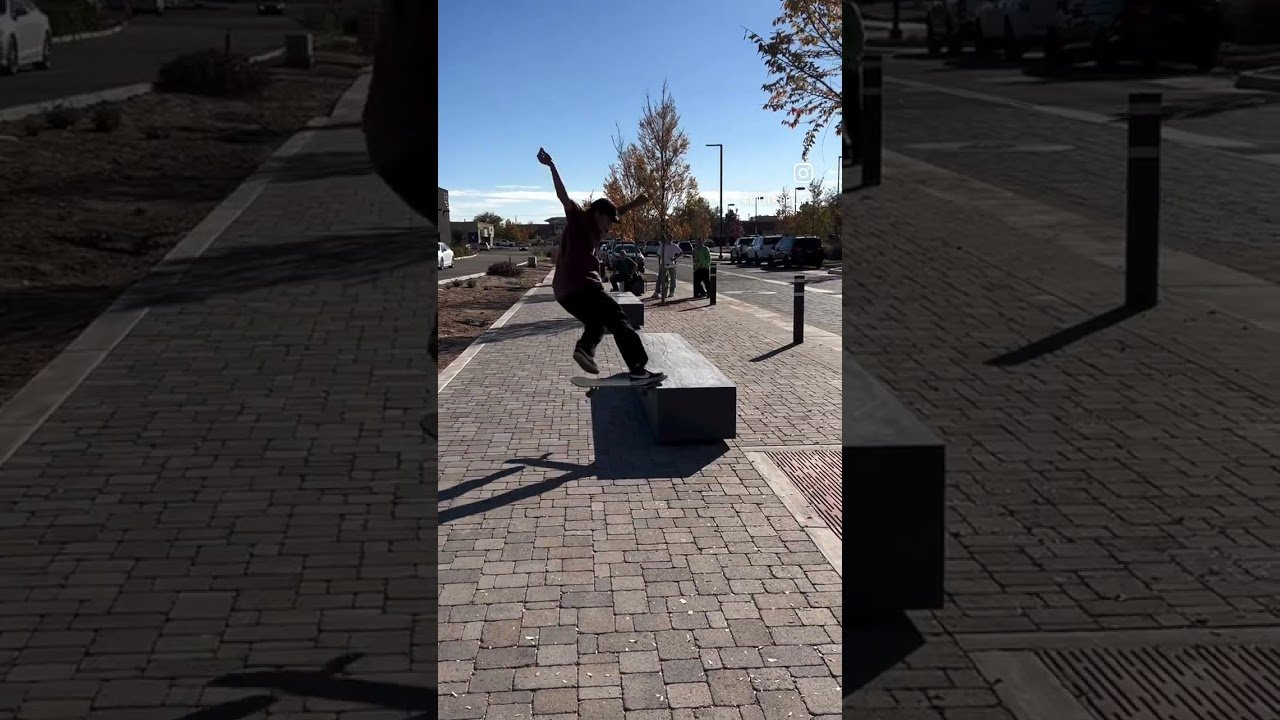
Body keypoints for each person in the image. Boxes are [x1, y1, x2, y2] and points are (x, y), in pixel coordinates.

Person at [538, 147, 664, 382]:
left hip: (564, 292)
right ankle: (638, 368)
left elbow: (618, 211)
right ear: (598, 213)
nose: (610, 229)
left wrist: (636, 203)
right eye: (609, 222)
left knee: (596, 322)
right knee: (618, 319)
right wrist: (552, 166)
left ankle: (585, 350)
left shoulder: (598, 223)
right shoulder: (578, 219)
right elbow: (563, 196)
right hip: (583, 285)